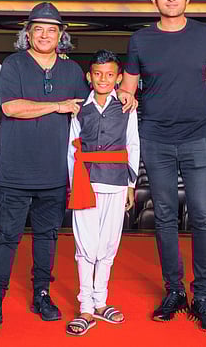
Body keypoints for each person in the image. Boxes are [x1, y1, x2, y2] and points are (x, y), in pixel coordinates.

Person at [116, 0, 206, 332]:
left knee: (203, 217)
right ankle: (174, 291)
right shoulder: (141, 40)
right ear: (154, 0)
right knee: (163, 216)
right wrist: (120, 95)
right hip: (156, 138)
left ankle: (203, 296)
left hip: (199, 137)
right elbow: (128, 89)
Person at [0, 2, 89, 335]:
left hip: (55, 172)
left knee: (47, 238)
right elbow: (11, 108)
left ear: (61, 35)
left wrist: (126, 96)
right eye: (37, 29)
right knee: (6, 238)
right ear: (27, 33)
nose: (44, 35)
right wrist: (58, 106)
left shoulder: (72, 71)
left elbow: (88, 109)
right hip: (15, 170)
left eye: (51, 29)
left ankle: (42, 293)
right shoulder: (13, 65)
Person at [64, 49, 140, 336]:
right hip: (86, 182)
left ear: (119, 78)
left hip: (117, 182)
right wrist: (72, 183)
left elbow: (133, 145)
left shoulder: (126, 107)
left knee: (108, 246)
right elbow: (71, 148)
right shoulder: (79, 109)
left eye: (110, 75)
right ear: (89, 76)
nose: (103, 79)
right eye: (98, 74)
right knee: (86, 247)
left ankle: (101, 302)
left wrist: (131, 184)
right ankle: (85, 306)